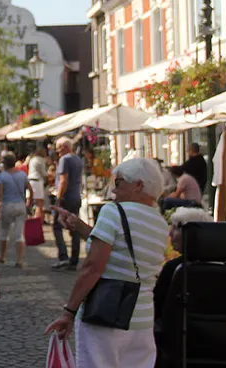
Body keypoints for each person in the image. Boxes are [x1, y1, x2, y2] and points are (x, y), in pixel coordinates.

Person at [46, 158, 169, 368]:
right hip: (142, 319)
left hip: (105, 316)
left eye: (118, 183)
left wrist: (69, 312)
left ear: (138, 185)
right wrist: (81, 227)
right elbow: (124, 249)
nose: (113, 191)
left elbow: (92, 268)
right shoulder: (160, 223)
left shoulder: (113, 212)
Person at [154, 207, 213, 323]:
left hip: (179, 337)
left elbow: (157, 309)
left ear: (192, 234)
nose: (170, 233)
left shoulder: (174, 269)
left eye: (175, 228)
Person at [0, 153, 33, 267]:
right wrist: (28, 202)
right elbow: (30, 190)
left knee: (4, 232)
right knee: (19, 234)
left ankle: (2, 256)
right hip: (20, 205)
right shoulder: (22, 174)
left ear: (5, 164)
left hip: (7, 205)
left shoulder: (2, 176)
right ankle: (19, 260)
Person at [52, 136, 84, 270]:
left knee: (56, 226)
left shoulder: (64, 160)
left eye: (58, 149)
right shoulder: (78, 159)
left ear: (65, 147)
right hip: (76, 196)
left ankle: (63, 256)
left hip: (67, 197)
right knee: (74, 228)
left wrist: (58, 199)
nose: (57, 152)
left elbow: (63, 181)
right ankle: (74, 259)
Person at [27, 149, 49, 221]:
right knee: (39, 203)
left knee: (29, 201)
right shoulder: (41, 160)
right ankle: (38, 220)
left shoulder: (32, 159)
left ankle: (26, 217)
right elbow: (43, 173)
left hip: (30, 180)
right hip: (37, 181)